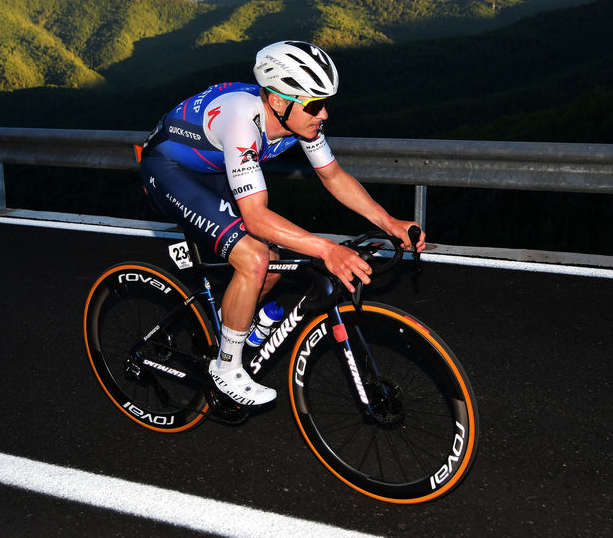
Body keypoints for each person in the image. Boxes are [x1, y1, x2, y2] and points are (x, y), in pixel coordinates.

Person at [138, 40, 425, 406]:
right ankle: (225, 368)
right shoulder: (242, 121)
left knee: (273, 266)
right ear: (277, 101)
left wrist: (389, 223)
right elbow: (256, 217)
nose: (324, 114)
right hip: (168, 169)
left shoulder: (298, 118)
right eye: (315, 105)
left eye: (327, 103)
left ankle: (226, 329)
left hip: (213, 168)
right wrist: (327, 249)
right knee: (255, 258)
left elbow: (333, 176)